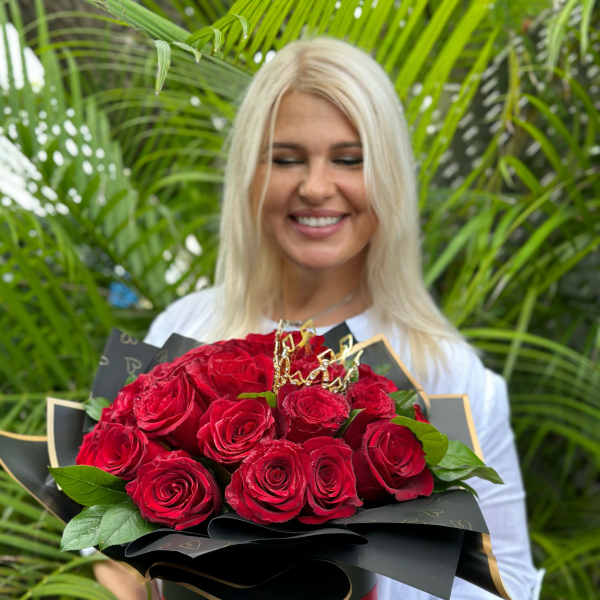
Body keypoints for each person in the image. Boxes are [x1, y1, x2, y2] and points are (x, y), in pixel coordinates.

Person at [102, 37, 544, 599]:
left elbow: (510, 584)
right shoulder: (184, 327)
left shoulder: (448, 372)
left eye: (349, 159)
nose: (315, 187)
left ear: (389, 176)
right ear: (249, 173)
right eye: (286, 159)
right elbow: (113, 552)